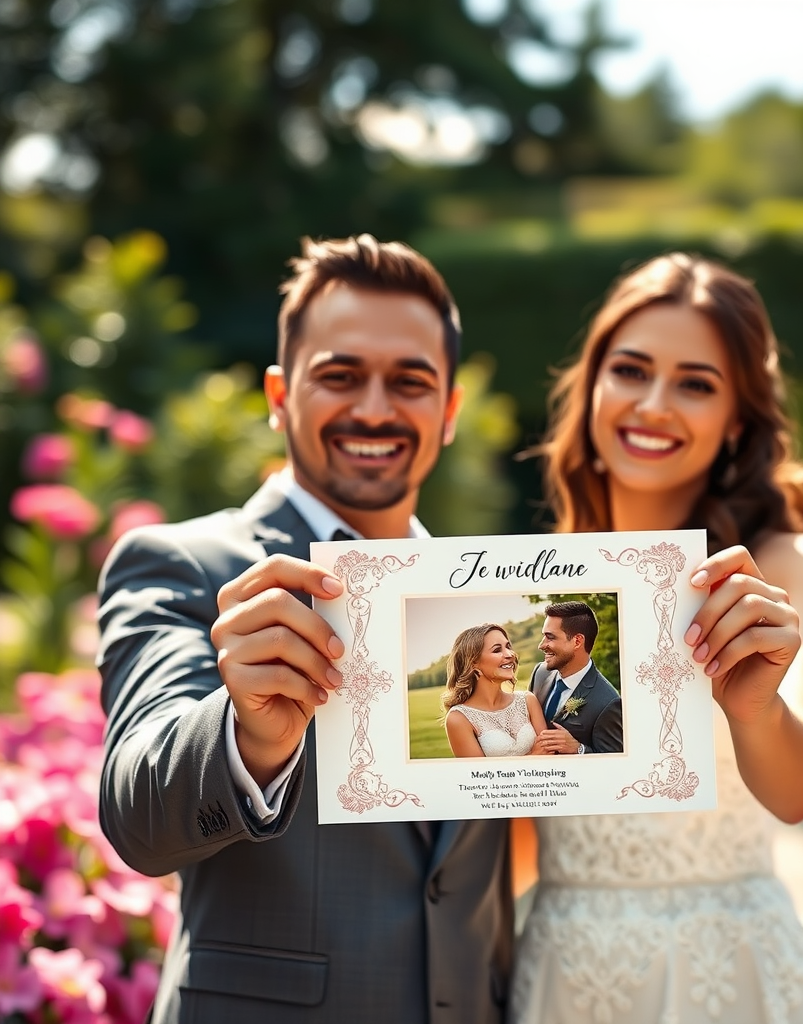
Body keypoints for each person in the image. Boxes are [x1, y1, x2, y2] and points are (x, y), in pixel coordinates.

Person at [96, 235, 514, 1024]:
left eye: (410, 381)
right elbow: (137, 817)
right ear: (280, 395)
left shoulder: (484, 600)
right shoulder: (183, 564)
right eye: (340, 375)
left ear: (450, 411)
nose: (375, 409)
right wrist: (245, 736)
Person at [511, 253, 803, 1023]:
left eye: (696, 384)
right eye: (630, 371)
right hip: (561, 975)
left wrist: (755, 707)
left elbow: (800, 791)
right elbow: (517, 846)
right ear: (593, 386)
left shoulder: (790, 569)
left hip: (731, 975)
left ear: (738, 417)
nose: (653, 405)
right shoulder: (533, 586)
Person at [528, 600, 623, 755]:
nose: (541, 645)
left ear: (577, 641)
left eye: (550, 637)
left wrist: (579, 749)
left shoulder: (608, 703)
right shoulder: (540, 673)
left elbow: (615, 762)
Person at [442, 623, 548, 757]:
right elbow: (477, 771)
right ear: (473, 663)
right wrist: (533, 756)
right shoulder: (459, 718)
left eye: (508, 647)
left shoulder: (528, 701)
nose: (510, 654)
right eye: (497, 650)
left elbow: (549, 754)